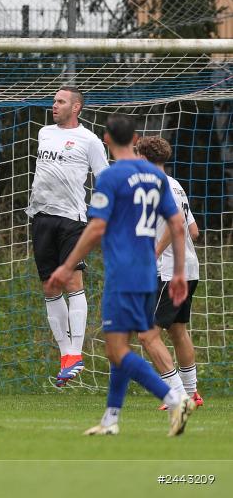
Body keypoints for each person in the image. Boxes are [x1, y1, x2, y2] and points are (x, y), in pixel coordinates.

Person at [46, 114, 195, 436]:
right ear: (135, 137)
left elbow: (97, 226)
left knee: (115, 350)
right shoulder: (155, 177)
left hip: (124, 273)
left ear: (106, 139)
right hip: (147, 272)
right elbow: (178, 225)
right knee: (122, 346)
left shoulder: (112, 177)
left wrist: (67, 265)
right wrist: (180, 272)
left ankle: (175, 398)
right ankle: (111, 420)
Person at [26, 87, 109, 385]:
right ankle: (66, 356)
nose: (54, 105)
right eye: (53, 100)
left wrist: (99, 213)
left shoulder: (90, 141)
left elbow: (106, 179)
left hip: (72, 219)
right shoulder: (44, 133)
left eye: (60, 101)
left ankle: (76, 353)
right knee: (50, 287)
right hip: (41, 217)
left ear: (76, 108)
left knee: (73, 282)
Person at [134, 136, 203, 409]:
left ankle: (177, 395)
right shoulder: (176, 186)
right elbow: (193, 231)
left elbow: (175, 228)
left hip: (168, 271)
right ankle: (192, 392)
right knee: (177, 331)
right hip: (190, 268)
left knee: (146, 335)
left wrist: (153, 253)